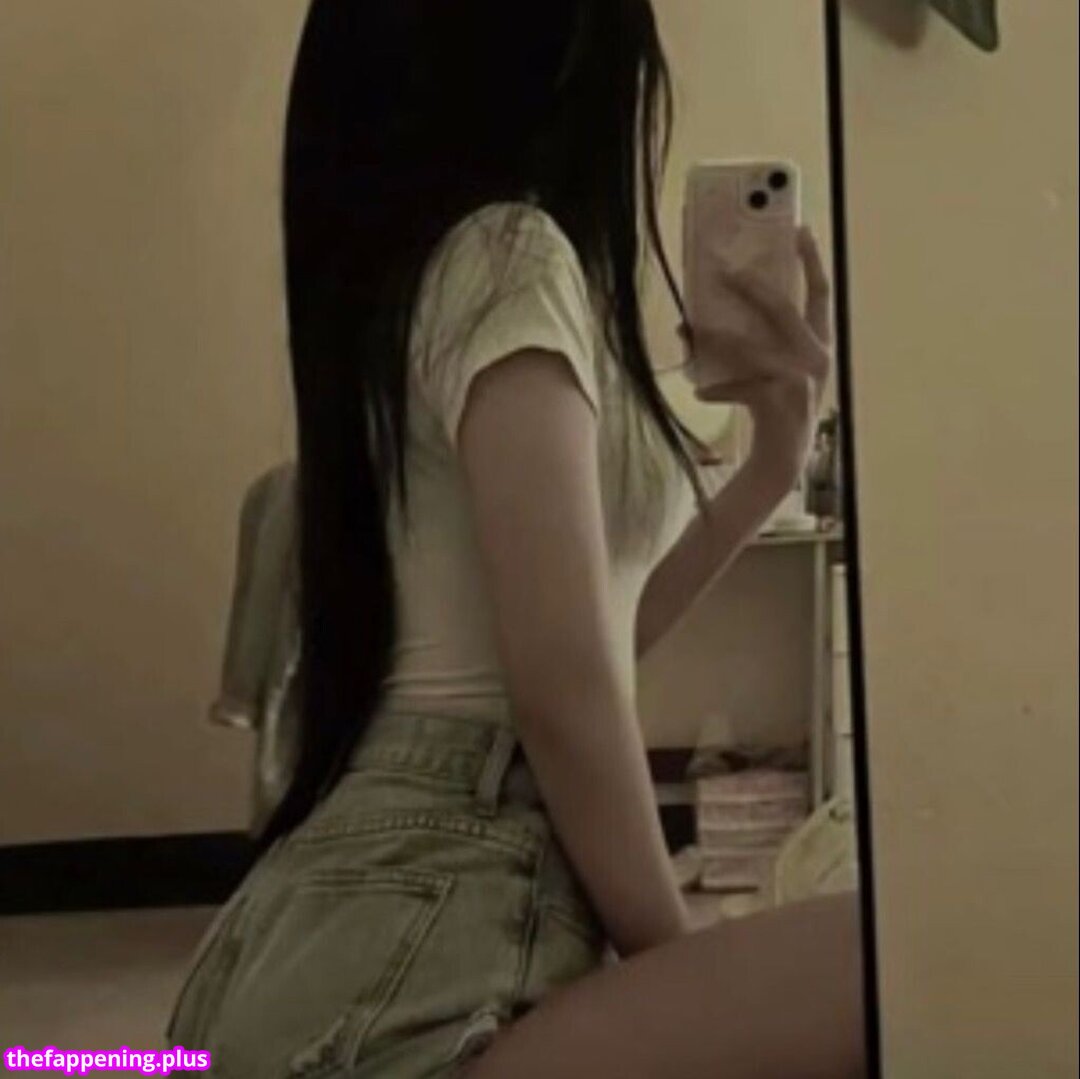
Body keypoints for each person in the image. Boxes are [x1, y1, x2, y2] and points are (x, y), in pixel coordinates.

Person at [165, 1, 866, 1075]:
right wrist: (677, 960)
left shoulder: (432, 269)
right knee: (897, 950)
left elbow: (590, 640)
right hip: (427, 907)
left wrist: (772, 465)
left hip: (346, 925)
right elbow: (561, 690)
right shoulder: (507, 253)